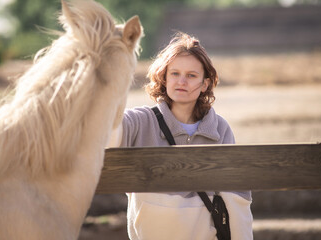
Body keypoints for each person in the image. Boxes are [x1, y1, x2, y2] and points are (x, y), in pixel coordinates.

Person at [108, 32, 253, 240]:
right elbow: (108, 134)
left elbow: (236, 201)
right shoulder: (139, 122)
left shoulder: (220, 129)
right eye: (174, 73)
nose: (181, 81)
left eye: (191, 75)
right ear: (164, 78)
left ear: (205, 84)